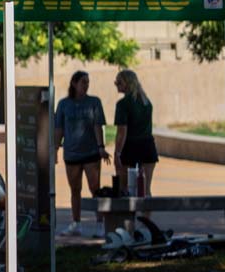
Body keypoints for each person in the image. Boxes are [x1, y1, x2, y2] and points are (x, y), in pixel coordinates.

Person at [54, 71, 110, 235]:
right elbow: (59, 128)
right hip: (71, 154)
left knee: (95, 188)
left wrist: (101, 147)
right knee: (75, 189)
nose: (86, 85)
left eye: (88, 82)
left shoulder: (94, 102)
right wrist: (55, 149)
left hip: (91, 153)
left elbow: (98, 125)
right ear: (74, 83)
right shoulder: (63, 104)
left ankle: (100, 224)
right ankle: (76, 223)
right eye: (83, 82)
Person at [113, 69, 158, 194]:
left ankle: (128, 214)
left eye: (119, 82)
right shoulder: (146, 102)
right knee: (146, 189)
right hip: (148, 146)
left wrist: (117, 153)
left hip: (130, 147)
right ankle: (145, 214)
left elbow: (122, 132)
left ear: (128, 83)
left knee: (125, 188)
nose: (116, 84)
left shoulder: (123, 104)